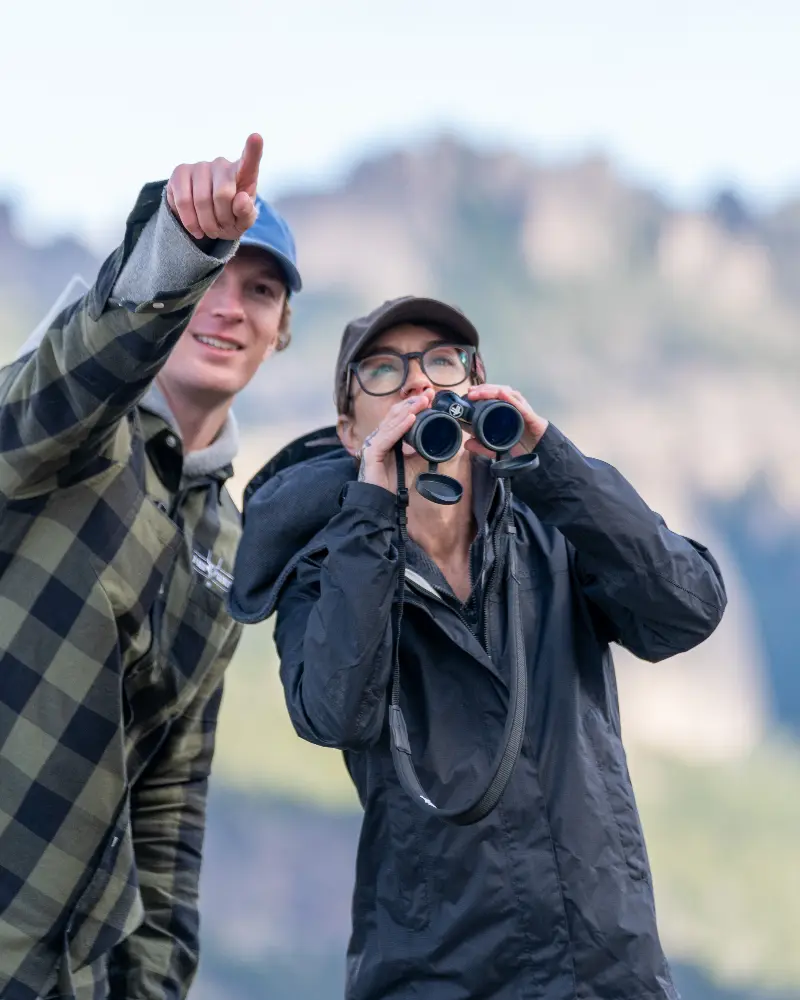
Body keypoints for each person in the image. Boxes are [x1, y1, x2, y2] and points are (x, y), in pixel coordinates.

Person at [228, 295, 728, 1000]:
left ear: (476, 385)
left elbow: (688, 611)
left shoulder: (553, 532)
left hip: (606, 973)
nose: (415, 382)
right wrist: (373, 508)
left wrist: (549, 462)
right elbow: (333, 714)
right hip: (436, 976)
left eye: (441, 361)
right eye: (382, 370)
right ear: (349, 431)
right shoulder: (326, 570)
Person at [0, 133, 301, 1000]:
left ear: (280, 332)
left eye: (262, 290)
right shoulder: (63, 431)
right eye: (217, 277)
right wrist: (179, 248)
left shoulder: (230, 548)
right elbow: (85, 356)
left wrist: (153, 987)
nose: (230, 305)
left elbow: (169, 809)